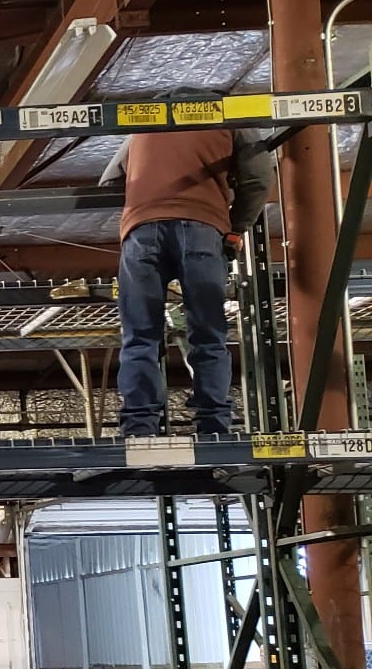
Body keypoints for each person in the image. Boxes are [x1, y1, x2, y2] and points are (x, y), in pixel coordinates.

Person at [103, 98, 271, 437]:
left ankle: (139, 427)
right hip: (202, 230)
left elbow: (110, 181)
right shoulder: (229, 114)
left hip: (141, 232)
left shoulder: (144, 121)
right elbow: (258, 179)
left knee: (139, 336)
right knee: (208, 334)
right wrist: (235, 228)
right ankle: (212, 426)